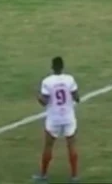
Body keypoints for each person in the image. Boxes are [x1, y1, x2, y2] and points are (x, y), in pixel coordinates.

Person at [34, 56, 81, 184]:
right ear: (63, 66)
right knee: (71, 146)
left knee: (48, 146)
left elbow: (44, 102)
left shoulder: (47, 81)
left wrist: (37, 96)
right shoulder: (70, 79)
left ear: (52, 67)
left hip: (54, 118)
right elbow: (77, 97)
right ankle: (74, 176)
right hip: (68, 117)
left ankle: (43, 175)